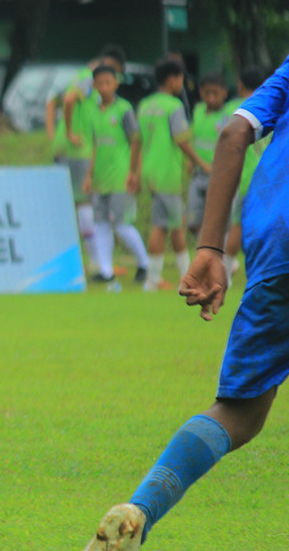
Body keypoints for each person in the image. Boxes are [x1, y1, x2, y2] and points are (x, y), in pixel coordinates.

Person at [82, 54, 289, 551]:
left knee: (239, 411)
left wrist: (210, 248)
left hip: (276, 245)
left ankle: (140, 510)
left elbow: (233, 134)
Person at [137, 58, 209, 292]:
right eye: (180, 79)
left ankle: (158, 279)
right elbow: (181, 140)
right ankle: (182, 278)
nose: (182, 84)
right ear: (172, 80)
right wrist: (200, 162)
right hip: (167, 171)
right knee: (174, 224)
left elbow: (138, 139)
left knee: (163, 224)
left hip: (151, 170)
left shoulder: (145, 104)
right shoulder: (173, 106)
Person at [57, 45, 127, 276]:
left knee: (82, 204)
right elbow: (68, 99)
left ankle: (99, 261)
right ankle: (98, 262)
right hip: (82, 147)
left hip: (75, 148)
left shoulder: (80, 75)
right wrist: (70, 132)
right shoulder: (88, 78)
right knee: (87, 203)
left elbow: (55, 100)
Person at [81, 65, 149, 284]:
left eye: (107, 83)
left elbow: (135, 141)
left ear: (116, 83)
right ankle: (106, 271)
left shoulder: (123, 109)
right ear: (94, 85)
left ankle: (144, 264)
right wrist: (89, 175)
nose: (103, 87)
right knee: (100, 224)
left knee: (121, 224)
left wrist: (133, 172)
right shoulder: (93, 111)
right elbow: (94, 145)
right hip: (101, 179)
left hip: (120, 177)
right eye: (99, 83)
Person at [223, 66, 268, 279]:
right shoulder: (270, 106)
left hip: (243, 176)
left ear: (240, 86)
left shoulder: (234, 108)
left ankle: (225, 272)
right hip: (269, 177)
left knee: (237, 225)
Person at [186, 72, 230, 239]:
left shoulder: (228, 115)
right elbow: (194, 137)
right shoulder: (198, 111)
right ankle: (207, 248)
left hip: (218, 175)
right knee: (193, 221)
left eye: (215, 93)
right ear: (200, 93)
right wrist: (192, 162)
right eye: (207, 93)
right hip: (198, 174)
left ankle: (217, 250)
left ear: (224, 92)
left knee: (218, 221)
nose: (211, 98)